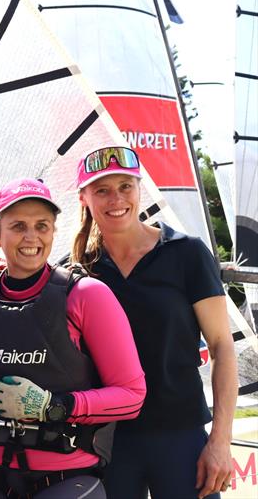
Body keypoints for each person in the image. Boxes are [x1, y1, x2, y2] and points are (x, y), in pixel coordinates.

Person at [0, 178, 146, 499]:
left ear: (53, 232)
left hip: (65, 479)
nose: (31, 236)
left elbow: (132, 396)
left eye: (42, 226)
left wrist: (51, 406)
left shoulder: (87, 294)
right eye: (18, 226)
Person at [71, 146, 237, 499]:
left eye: (125, 186)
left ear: (140, 188)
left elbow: (222, 346)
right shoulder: (78, 271)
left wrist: (221, 440)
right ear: (84, 198)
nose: (116, 199)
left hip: (181, 437)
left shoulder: (187, 253)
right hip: (107, 441)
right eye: (102, 189)